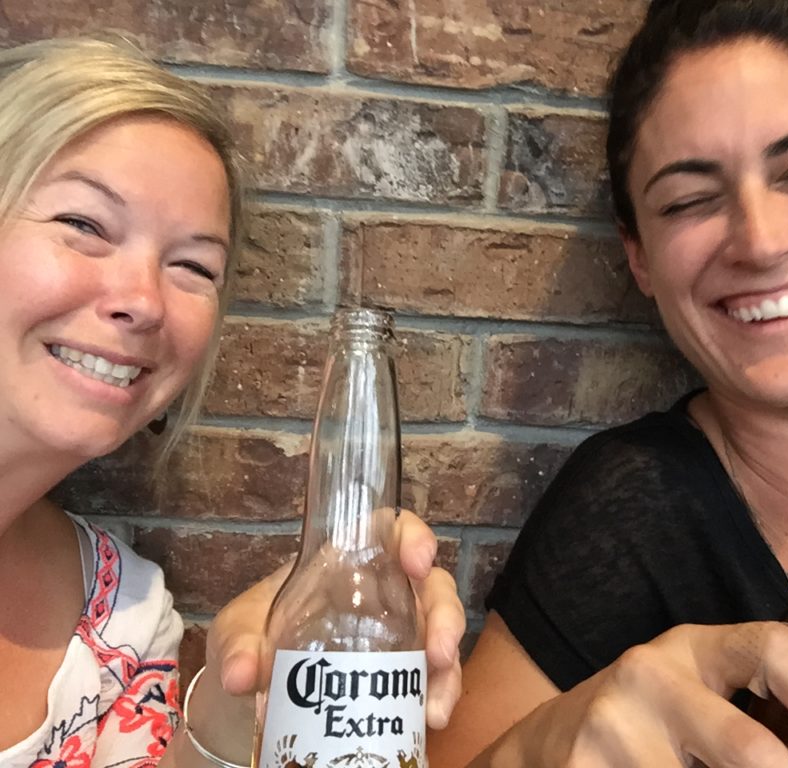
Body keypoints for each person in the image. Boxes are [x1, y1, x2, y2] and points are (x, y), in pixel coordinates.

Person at [428, 0, 788, 766]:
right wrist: (532, 752)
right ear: (639, 257)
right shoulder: (632, 507)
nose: (762, 241)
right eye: (689, 201)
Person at [0, 37, 464, 766]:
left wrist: (230, 707)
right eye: (84, 225)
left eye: (192, 266)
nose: (144, 302)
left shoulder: (124, 617)